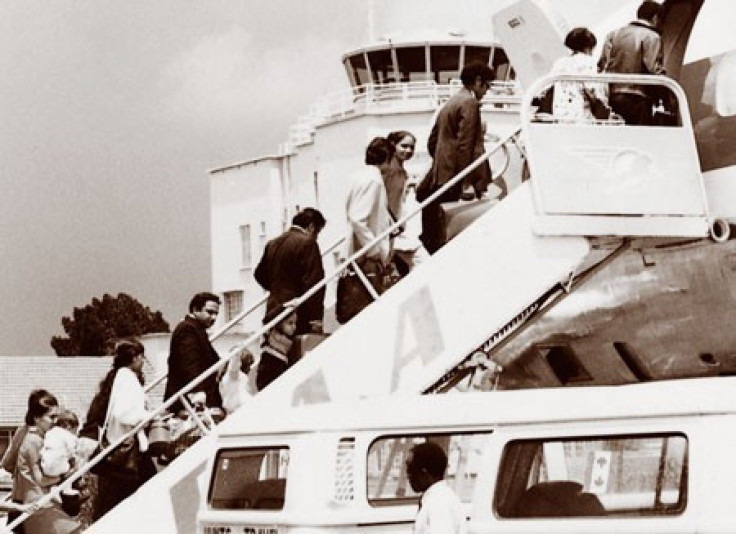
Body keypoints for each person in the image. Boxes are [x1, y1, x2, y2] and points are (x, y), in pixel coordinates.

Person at [421, 62, 494, 254]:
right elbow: (466, 145)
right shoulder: (469, 103)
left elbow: (432, 141)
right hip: (457, 177)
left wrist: (441, 162)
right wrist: (466, 182)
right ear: (478, 81)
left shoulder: (450, 102)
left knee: (438, 225)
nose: (487, 91)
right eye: (487, 85)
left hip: (442, 174)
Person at [93, 339, 156, 521]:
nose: (143, 361)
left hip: (119, 447)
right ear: (134, 358)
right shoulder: (127, 378)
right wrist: (146, 417)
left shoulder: (117, 377)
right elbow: (124, 414)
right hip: (128, 451)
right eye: (142, 356)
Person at [11, 389, 81, 534]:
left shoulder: (41, 438)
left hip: (42, 500)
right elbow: (40, 480)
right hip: (36, 503)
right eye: (51, 417)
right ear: (37, 418)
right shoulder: (34, 441)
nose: (56, 421)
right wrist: (64, 475)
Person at [254, 208, 327, 336]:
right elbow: (314, 282)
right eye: (318, 232)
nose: (317, 237)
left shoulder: (272, 243)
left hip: (273, 309)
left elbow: (259, 274)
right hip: (298, 314)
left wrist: (277, 289)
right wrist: (316, 319)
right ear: (311, 227)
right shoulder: (308, 243)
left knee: (276, 351)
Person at [597, 0, 665, 125]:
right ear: (655, 18)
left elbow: (602, 65)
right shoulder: (652, 36)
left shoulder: (613, 34)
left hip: (613, 95)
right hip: (638, 97)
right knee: (640, 136)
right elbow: (654, 69)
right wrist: (667, 96)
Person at [164, 292, 223, 415]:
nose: (213, 318)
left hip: (191, 400)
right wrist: (198, 394)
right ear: (195, 309)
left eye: (216, 314)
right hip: (190, 402)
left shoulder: (195, 329)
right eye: (210, 312)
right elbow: (189, 363)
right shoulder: (188, 329)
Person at [345, 137, 394, 282]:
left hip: (360, 250)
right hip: (369, 255)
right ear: (386, 158)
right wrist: (373, 249)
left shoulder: (357, 176)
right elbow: (357, 217)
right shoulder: (373, 179)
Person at [384, 130, 429, 275]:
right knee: (424, 263)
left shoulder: (399, 170)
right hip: (400, 232)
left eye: (411, 147)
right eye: (404, 146)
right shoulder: (394, 171)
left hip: (401, 230)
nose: (408, 151)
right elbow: (392, 202)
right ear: (393, 145)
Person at [405, 441, 466, 534]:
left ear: (424, 471)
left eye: (410, 469)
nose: (408, 475)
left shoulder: (439, 503)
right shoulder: (439, 498)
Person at [550, 27, 607, 122]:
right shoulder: (588, 62)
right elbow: (591, 90)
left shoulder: (560, 62)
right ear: (588, 47)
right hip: (580, 114)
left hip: (560, 112)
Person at [255, 305, 298, 392]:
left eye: (295, 323)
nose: (294, 327)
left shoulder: (285, 348)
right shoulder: (269, 354)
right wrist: (284, 306)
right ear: (278, 324)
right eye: (290, 323)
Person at [40, 410, 79, 478]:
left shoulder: (50, 432)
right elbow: (72, 451)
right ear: (69, 427)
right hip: (59, 468)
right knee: (76, 465)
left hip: (45, 468)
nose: (76, 433)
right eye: (75, 430)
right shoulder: (68, 435)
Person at [218, 343, 255, 415]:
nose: (249, 368)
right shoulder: (233, 376)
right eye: (248, 365)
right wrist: (238, 351)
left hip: (239, 409)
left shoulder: (228, 377)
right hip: (239, 409)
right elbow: (234, 365)